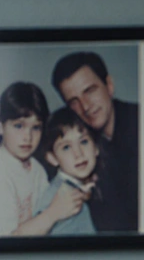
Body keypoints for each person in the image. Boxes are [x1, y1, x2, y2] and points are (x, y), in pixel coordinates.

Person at [51, 52, 138, 233]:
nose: (85, 106)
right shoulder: (78, 149)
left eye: (90, 91)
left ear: (109, 86)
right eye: (73, 101)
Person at [0, 82, 84, 236]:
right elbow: (7, 242)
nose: (28, 137)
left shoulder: (37, 168)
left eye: (36, 127)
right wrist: (54, 213)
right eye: (19, 126)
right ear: (1, 126)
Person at [33, 107, 99, 236]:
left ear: (96, 148)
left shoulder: (84, 185)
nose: (78, 153)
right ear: (52, 158)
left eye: (84, 142)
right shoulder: (60, 198)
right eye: (66, 147)